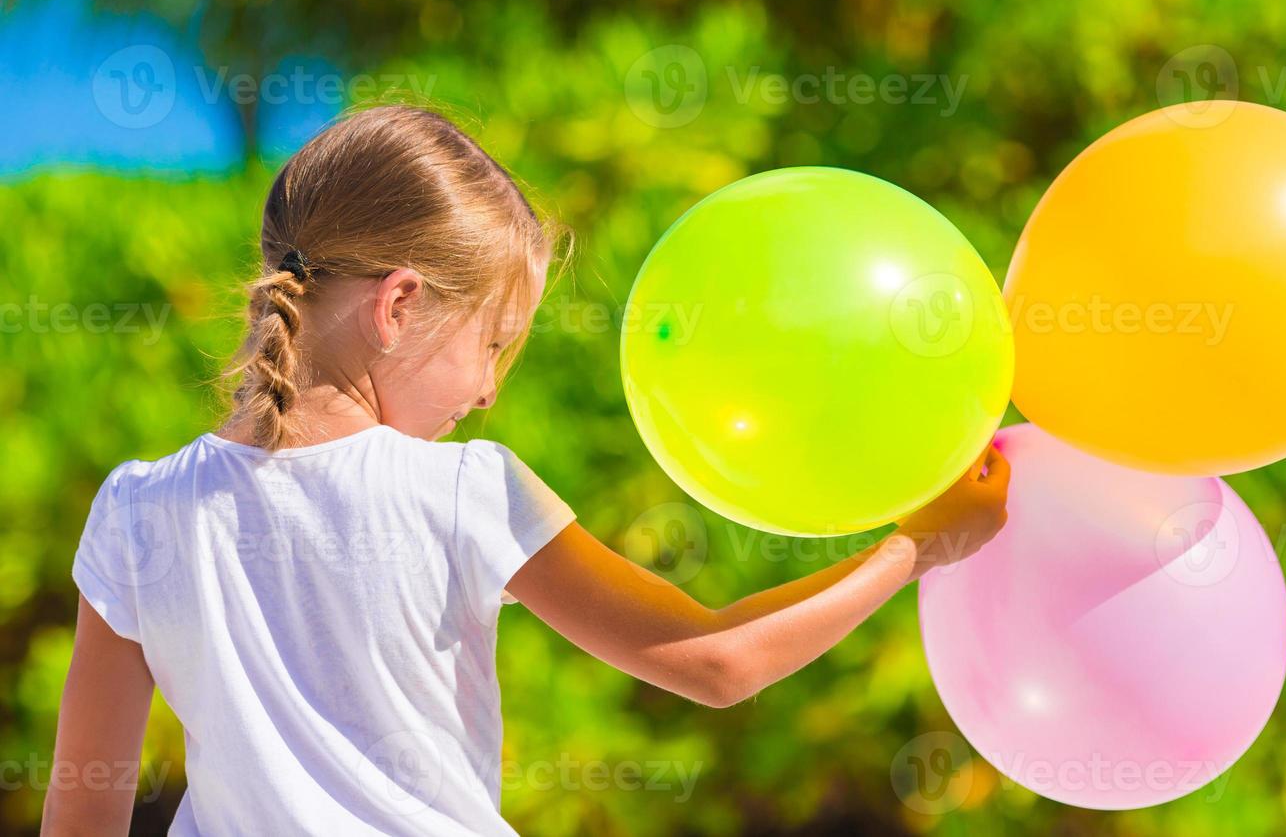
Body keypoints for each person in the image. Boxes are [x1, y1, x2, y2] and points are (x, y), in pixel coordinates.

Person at [42, 105, 1010, 836]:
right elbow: (717, 662)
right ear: (400, 305)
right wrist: (917, 546)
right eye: (494, 343)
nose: (490, 391)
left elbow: (81, 813)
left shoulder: (138, 508)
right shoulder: (467, 489)